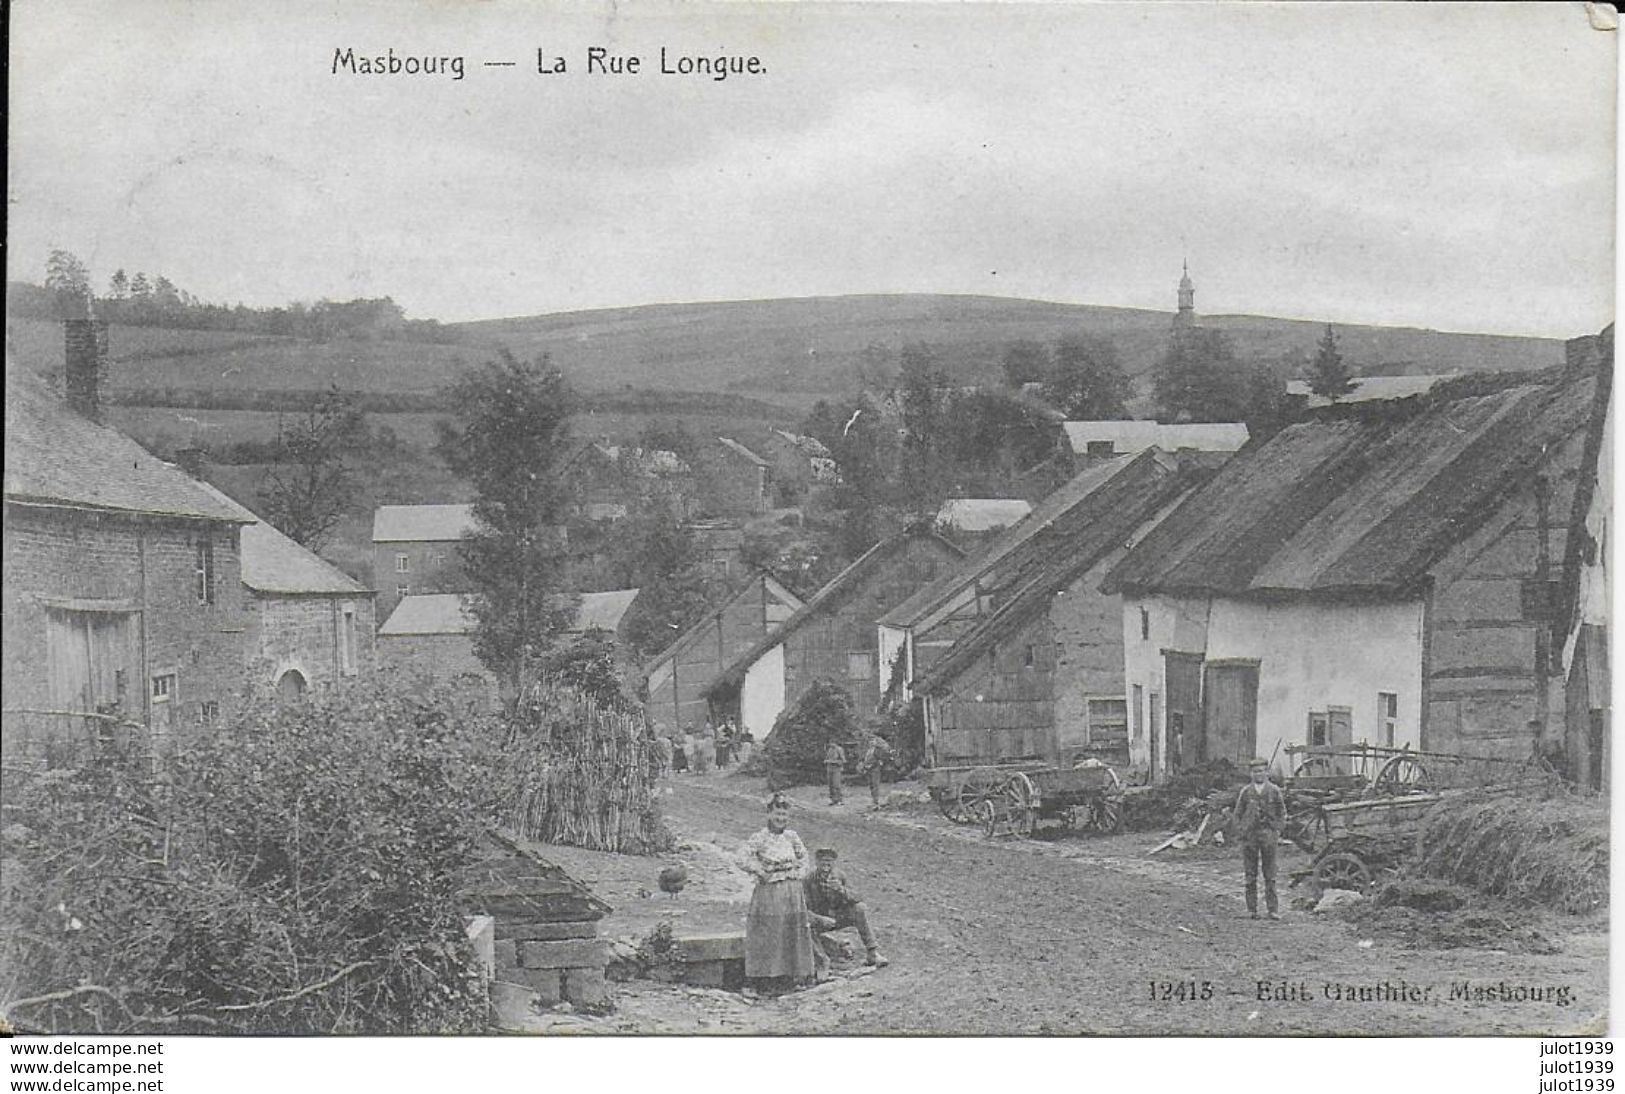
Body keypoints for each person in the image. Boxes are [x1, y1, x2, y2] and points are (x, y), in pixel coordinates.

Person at [741, 793, 817, 994]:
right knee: (770, 932)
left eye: (784, 815)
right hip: (769, 892)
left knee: (792, 931)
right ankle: (766, 979)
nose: (781, 819)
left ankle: (793, 975)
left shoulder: (791, 837)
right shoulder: (760, 838)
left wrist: (798, 873)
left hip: (792, 891)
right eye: (777, 814)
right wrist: (760, 871)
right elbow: (741, 858)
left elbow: (804, 858)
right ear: (769, 814)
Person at [804, 848, 889, 969]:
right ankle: (821, 961)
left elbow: (858, 897)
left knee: (859, 909)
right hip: (819, 920)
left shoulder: (840, 876)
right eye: (823, 861)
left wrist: (841, 890)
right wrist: (820, 919)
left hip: (838, 917)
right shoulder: (808, 880)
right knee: (804, 924)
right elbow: (803, 908)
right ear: (816, 862)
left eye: (830, 862)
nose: (826, 865)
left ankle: (872, 953)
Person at [1234, 757, 1286, 919]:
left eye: (1262, 770)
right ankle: (1252, 909)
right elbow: (1237, 815)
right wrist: (1242, 831)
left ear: (1267, 772)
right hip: (1250, 837)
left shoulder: (1274, 791)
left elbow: (1282, 813)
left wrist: (1277, 830)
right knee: (1250, 875)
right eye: (1255, 771)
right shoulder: (1246, 792)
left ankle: (1273, 910)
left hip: (1268, 836)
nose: (1259, 774)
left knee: (1270, 875)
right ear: (1251, 773)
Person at [858, 731, 893, 808]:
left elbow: (882, 759)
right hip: (868, 769)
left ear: (876, 742)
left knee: (875, 785)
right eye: (870, 741)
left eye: (873, 741)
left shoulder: (878, 750)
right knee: (871, 785)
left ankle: (876, 801)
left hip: (875, 769)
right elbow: (866, 759)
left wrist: (879, 763)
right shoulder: (868, 750)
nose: (871, 742)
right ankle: (873, 800)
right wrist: (864, 767)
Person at [824, 738, 847, 805]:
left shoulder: (839, 749)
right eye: (830, 743)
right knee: (830, 785)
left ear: (835, 743)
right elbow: (827, 758)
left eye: (832, 743)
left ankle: (839, 800)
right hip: (829, 768)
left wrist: (834, 762)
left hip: (836, 769)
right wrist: (827, 761)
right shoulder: (830, 750)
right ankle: (833, 799)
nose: (830, 744)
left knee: (836, 784)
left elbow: (843, 760)